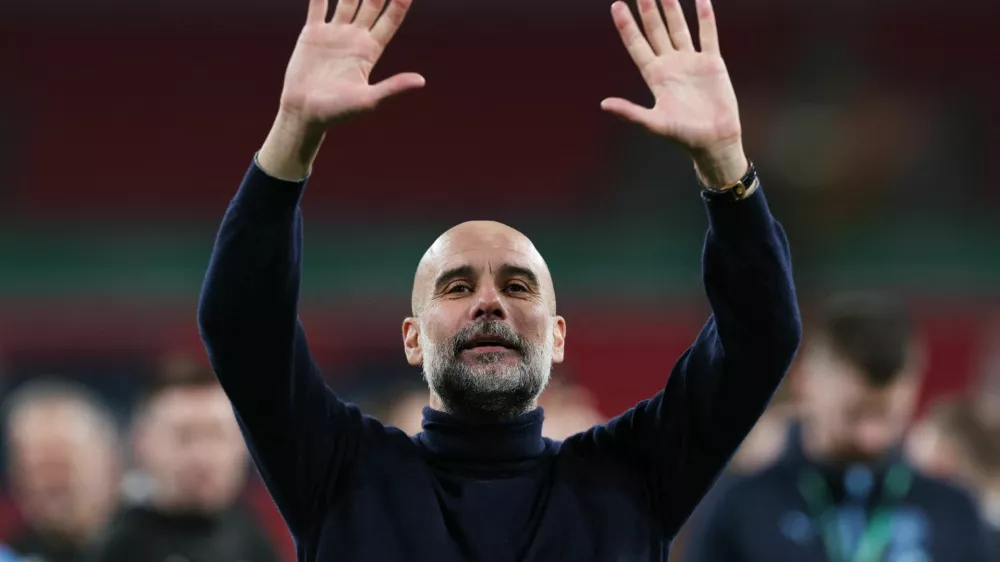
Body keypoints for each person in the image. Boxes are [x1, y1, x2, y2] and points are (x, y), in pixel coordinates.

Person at [196, 0, 802, 559]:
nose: (489, 302)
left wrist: (725, 164)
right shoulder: (341, 471)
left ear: (558, 337)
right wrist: (293, 133)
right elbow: (242, 324)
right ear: (411, 338)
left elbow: (760, 338)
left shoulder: (631, 474)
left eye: (518, 286)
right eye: (457, 287)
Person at [685, 294, 993, 561]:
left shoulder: (953, 511)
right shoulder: (743, 507)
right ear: (807, 381)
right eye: (854, 415)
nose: (870, 437)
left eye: (884, 416)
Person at [88, 357, 281, 562]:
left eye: (216, 435)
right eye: (184, 437)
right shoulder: (112, 544)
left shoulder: (255, 537)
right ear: (141, 442)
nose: (202, 456)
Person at [2, 379, 121, 562]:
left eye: (62, 465)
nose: (51, 483)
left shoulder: (154, 543)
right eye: (36, 468)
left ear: (110, 464)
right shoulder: (12, 554)